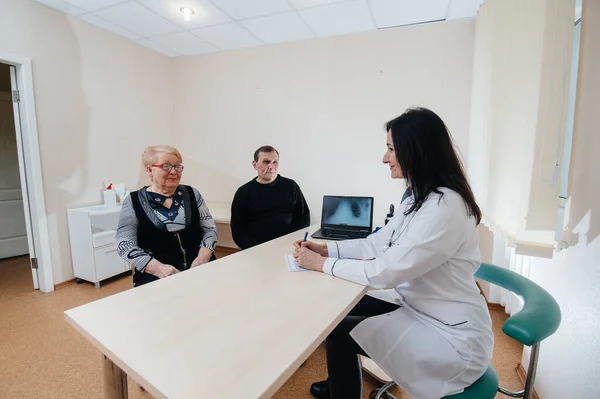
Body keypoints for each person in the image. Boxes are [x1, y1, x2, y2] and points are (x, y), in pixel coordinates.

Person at [293, 108, 494, 399]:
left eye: (390, 149)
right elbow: (377, 243)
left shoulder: (445, 207)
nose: (384, 158)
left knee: (340, 333)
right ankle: (340, 383)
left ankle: (341, 391)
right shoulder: (418, 196)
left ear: (415, 150)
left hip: (451, 338)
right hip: (419, 304)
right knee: (336, 316)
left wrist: (322, 263)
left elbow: (384, 271)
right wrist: (327, 247)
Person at [116, 145, 218, 287]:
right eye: (166, 166)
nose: (173, 172)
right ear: (149, 170)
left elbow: (210, 229)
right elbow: (125, 245)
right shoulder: (133, 201)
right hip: (156, 275)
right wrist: (159, 269)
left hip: (200, 267)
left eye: (177, 166)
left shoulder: (192, 193)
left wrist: (202, 259)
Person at [231, 145, 310, 250]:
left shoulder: (291, 186)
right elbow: (238, 229)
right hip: (255, 249)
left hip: (289, 246)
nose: (271, 166)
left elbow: (303, 217)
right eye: (266, 162)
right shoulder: (244, 192)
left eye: (275, 162)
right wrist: (255, 249)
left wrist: (293, 241)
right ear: (255, 165)